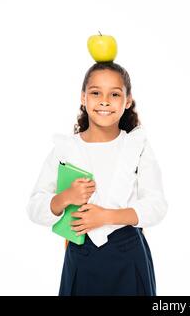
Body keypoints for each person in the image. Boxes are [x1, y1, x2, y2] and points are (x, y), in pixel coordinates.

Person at [27, 62, 167, 296]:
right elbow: (34, 207)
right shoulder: (66, 149)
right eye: (95, 93)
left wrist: (106, 216)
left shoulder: (136, 146)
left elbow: (156, 206)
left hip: (128, 256)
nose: (104, 101)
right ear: (83, 98)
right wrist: (64, 198)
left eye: (114, 94)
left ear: (128, 100)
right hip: (81, 258)